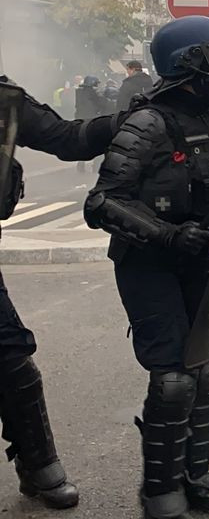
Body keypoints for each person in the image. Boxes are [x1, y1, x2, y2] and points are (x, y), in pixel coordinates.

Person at [85, 16, 209, 519]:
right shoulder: (149, 123)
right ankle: (159, 487)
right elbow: (102, 203)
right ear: (192, 65)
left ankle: (195, 473)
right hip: (148, 261)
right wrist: (167, 233)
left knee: (203, 369)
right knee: (173, 378)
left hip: (194, 256)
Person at [0, 79, 123, 510]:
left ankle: (38, 464)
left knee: (11, 356)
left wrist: (125, 119)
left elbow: (67, 139)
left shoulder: (2, 99)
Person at [75, 77, 111, 173]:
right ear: (92, 84)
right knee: (98, 143)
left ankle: (80, 165)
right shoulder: (94, 93)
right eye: (96, 84)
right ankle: (96, 168)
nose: (97, 86)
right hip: (92, 121)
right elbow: (103, 103)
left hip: (80, 121)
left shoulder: (79, 92)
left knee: (82, 143)